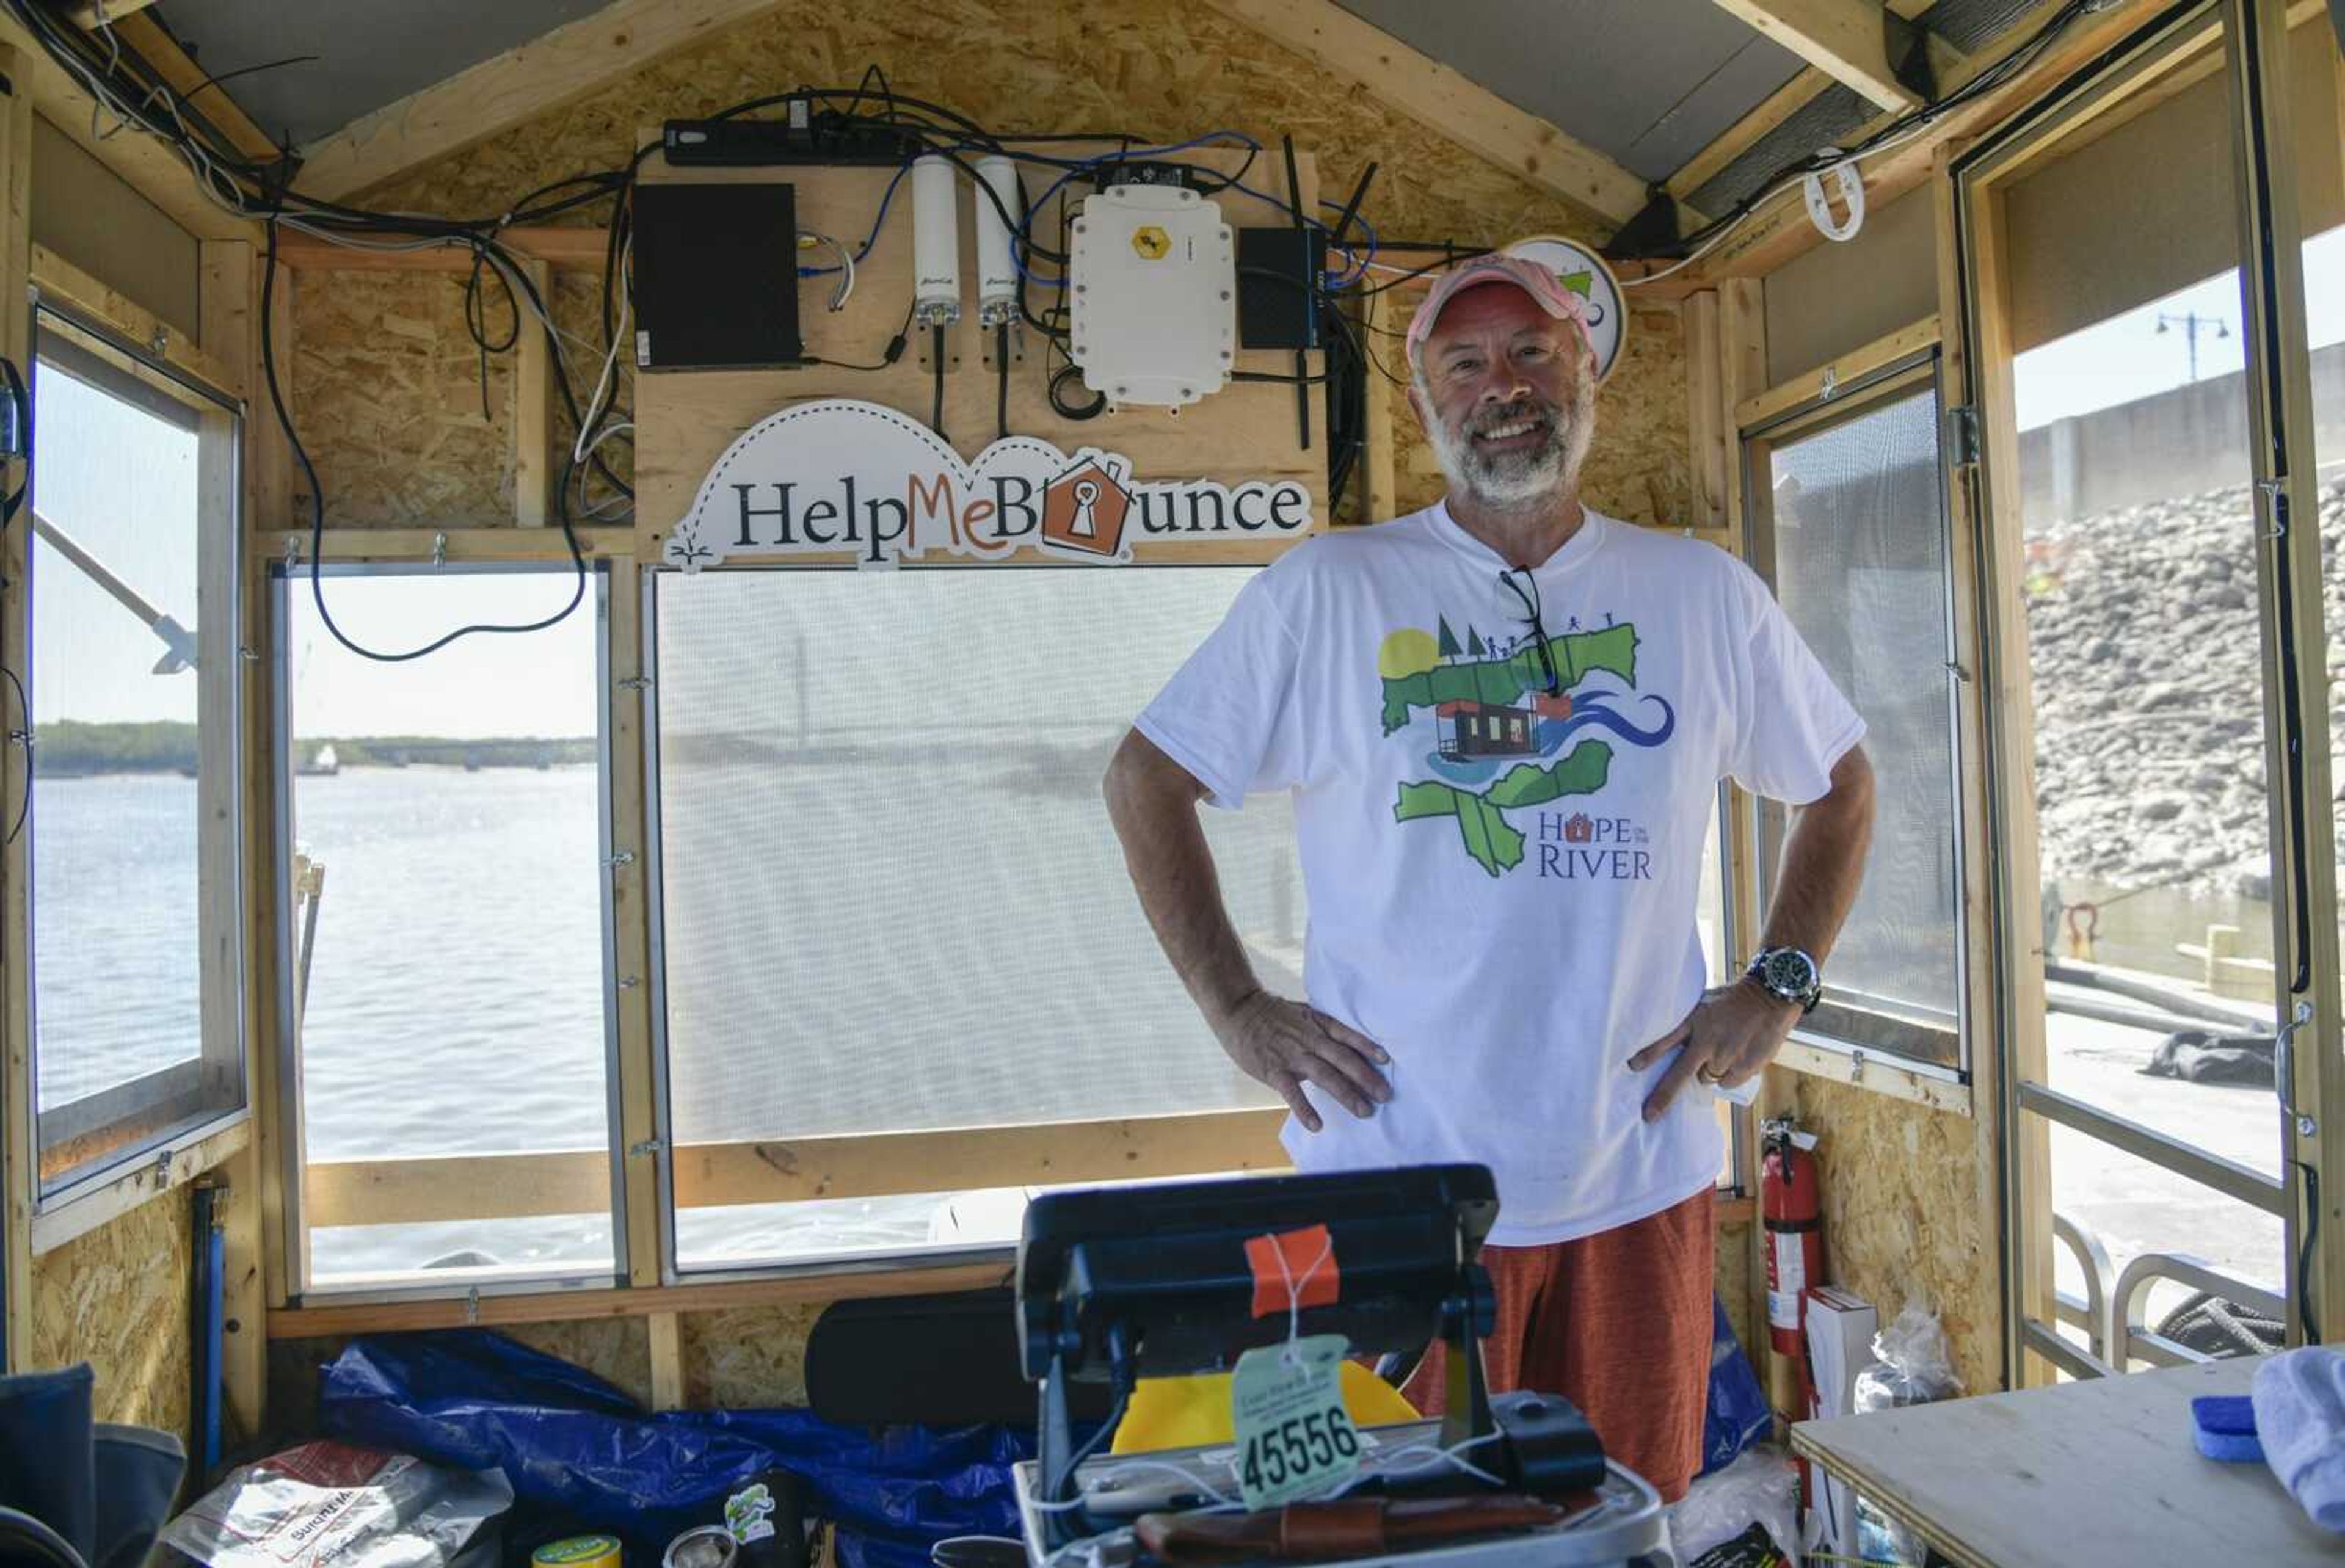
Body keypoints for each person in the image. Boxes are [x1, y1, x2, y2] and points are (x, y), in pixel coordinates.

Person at [1100, 253, 1875, 1500]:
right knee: (1400, 1529)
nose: (1502, 386)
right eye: (1465, 364)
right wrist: (1236, 1009)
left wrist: (1778, 981)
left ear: (1589, 381)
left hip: (1636, 1173)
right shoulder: (1330, 592)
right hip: (1398, 1191)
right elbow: (1148, 779)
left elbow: (1840, 781)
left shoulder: (1697, 594)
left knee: (1624, 1515)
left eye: (1532, 352)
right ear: (1425, 408)